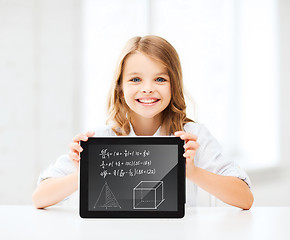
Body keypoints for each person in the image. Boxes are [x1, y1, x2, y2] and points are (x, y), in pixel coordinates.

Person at [32, 35, 254, 210]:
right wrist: (84, 174)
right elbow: (40, 198)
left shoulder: (193, 136)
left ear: (173, 86)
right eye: (135, 79)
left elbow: (245, 198)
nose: (147, 88)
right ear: (120, 88)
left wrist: (193, 172)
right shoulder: (100, 140)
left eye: (160, 79)